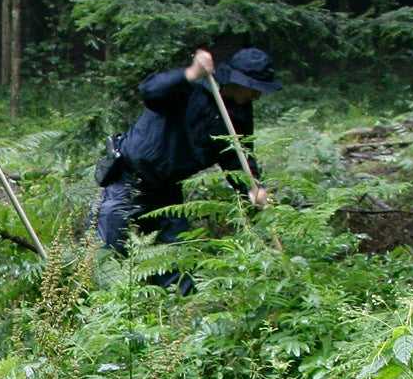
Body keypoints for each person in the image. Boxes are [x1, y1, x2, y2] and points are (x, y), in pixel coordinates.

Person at [93, 46, 278, 277]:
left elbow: (238, 153)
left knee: (176, 260)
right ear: (236, 79)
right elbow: (150, 91)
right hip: (128, 178)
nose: (258, 96)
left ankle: (174, 306)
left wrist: (252, 186)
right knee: (107, 253)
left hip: (168, 189)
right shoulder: (193, 86)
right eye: (254, 89)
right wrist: (189, 74)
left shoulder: (239, 111)